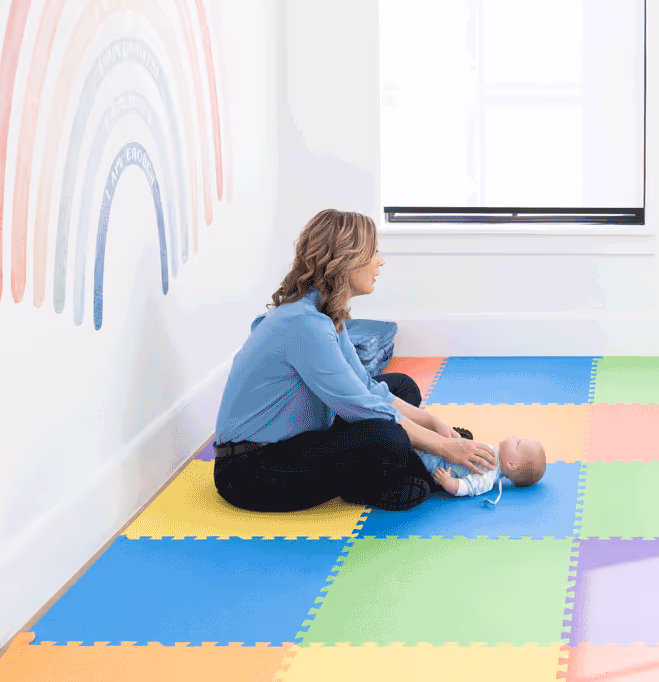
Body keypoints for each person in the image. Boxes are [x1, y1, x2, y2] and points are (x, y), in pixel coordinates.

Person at [212, 209, 497, 513]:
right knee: (388, 437)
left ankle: (413, 466)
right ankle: (383, 480)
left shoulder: (324, 313)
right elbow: (363, 407)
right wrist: (443, 446)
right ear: (346, 260)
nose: (381, 261)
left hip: (299, 439)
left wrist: (433, 422)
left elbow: (365, 387)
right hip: (251, 472)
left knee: (401, 387)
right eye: (373, 252)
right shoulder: (304, 325)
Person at [423, 437, 548, 500]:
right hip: (448, 448)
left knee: (421, 455)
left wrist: (447, 481)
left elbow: (466, 487)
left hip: (439, 464)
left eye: (518, 442)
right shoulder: (494, 454)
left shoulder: (488, 476)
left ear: (511, 464)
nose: (514, 437)